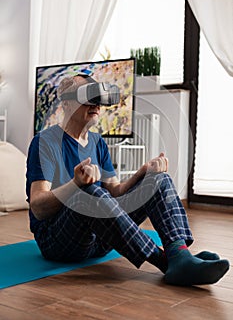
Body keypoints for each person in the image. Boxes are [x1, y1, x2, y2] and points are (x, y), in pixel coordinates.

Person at [26, 74, 230, 287]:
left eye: (98, 96)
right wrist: (76, 183)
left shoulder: (97, 142)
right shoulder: (45, 141)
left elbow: (116, 191)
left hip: (99, 238)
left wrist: (144, 171)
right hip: (59, 243)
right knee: (87, 193)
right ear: (66, 103)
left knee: (158, 179)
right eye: (88, 96)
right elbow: (38, 207)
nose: (96, 103)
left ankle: (178, 252)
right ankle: (168, 263)